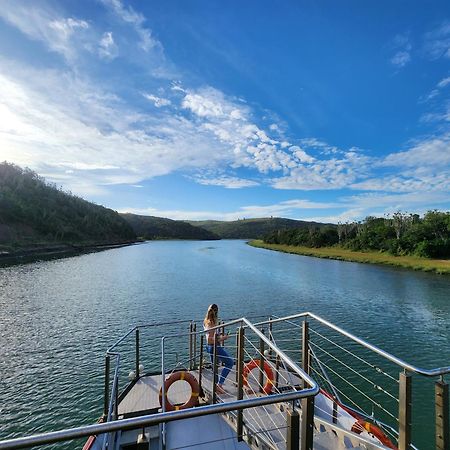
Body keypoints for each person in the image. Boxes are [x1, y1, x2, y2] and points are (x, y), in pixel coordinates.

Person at [203, 304, 233, 394]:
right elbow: (210, 340)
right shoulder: (211, 322)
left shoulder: (206, 321)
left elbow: (209, 335)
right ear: (216, 312)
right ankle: (219, 385)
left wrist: (219, 334)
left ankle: (216, 386)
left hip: (210, 347)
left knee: (215, 367)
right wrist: (222, 338)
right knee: (230, 363)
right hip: (214, 346)